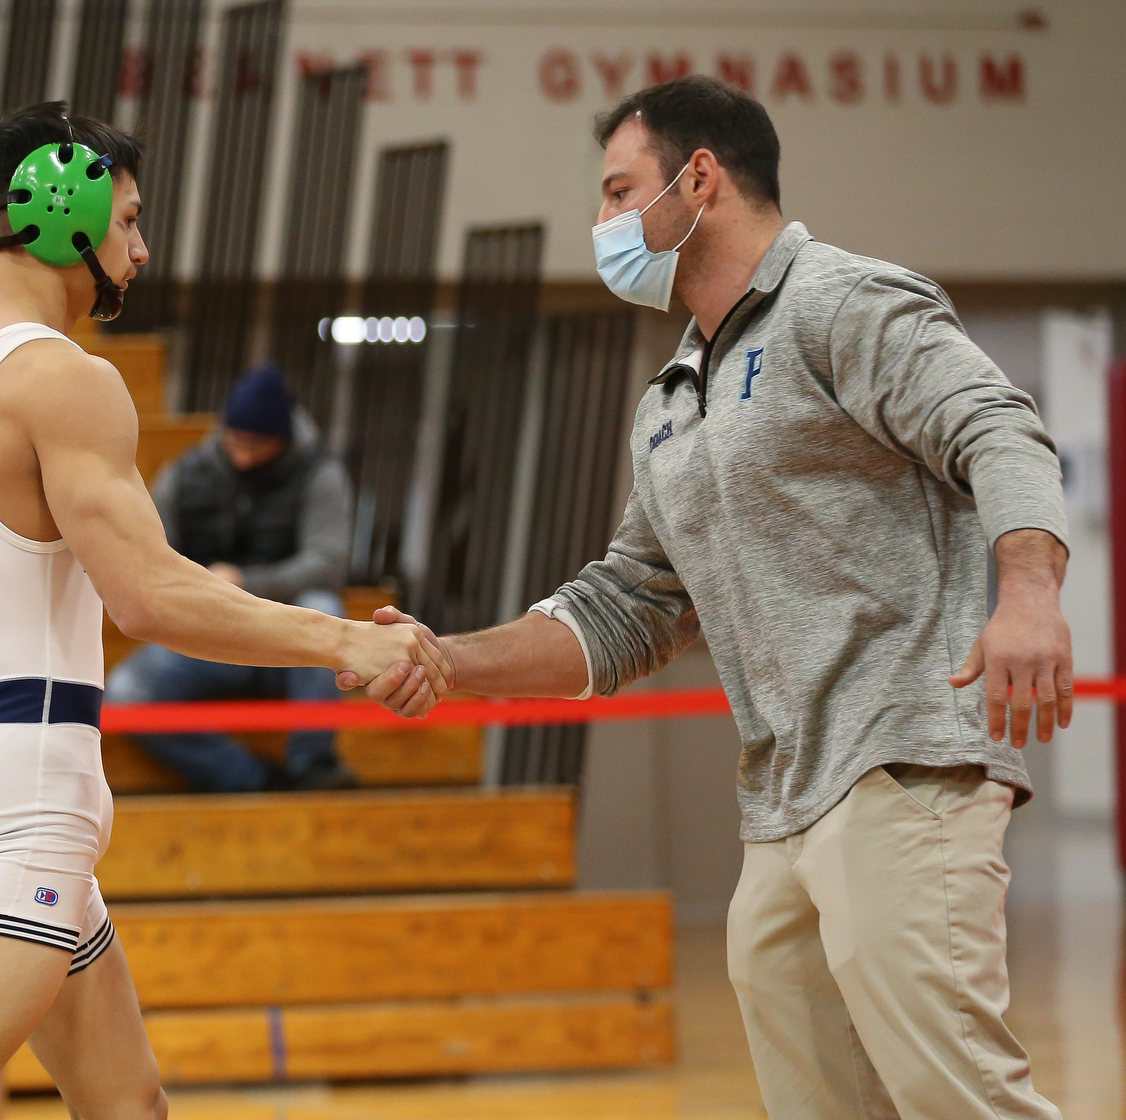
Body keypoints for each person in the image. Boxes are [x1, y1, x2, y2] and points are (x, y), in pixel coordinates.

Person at [354, 76, 1071, 1120]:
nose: (600, 225)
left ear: (699, 178)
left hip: (899, 753)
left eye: (615, 191)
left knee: (958, 1098)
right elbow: (626, 607)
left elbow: (997, 427)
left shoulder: (840, 299)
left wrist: (1027, 594)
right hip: (780, 803)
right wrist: (445, 660)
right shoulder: (667, 401)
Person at [0, 101, 446, 1120]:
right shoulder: (62, 381)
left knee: (129, 1106)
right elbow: (148, 595)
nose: (141, 246)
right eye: (126, 219)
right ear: (60, 208)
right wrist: (340, 635)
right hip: (32, 794)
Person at [106, 362, 358, 792]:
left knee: (324, 608)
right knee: (127, 693)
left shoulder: (319, 474)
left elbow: (328, 563)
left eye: (257, 445)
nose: (242, 455)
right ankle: (252, 781)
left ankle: (314, 764)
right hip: (210, 638)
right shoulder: (186, 476)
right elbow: (152, 557)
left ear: (280, 438)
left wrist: (244, 581)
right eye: (235, 441)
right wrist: (204, 588)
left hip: (289, 641)